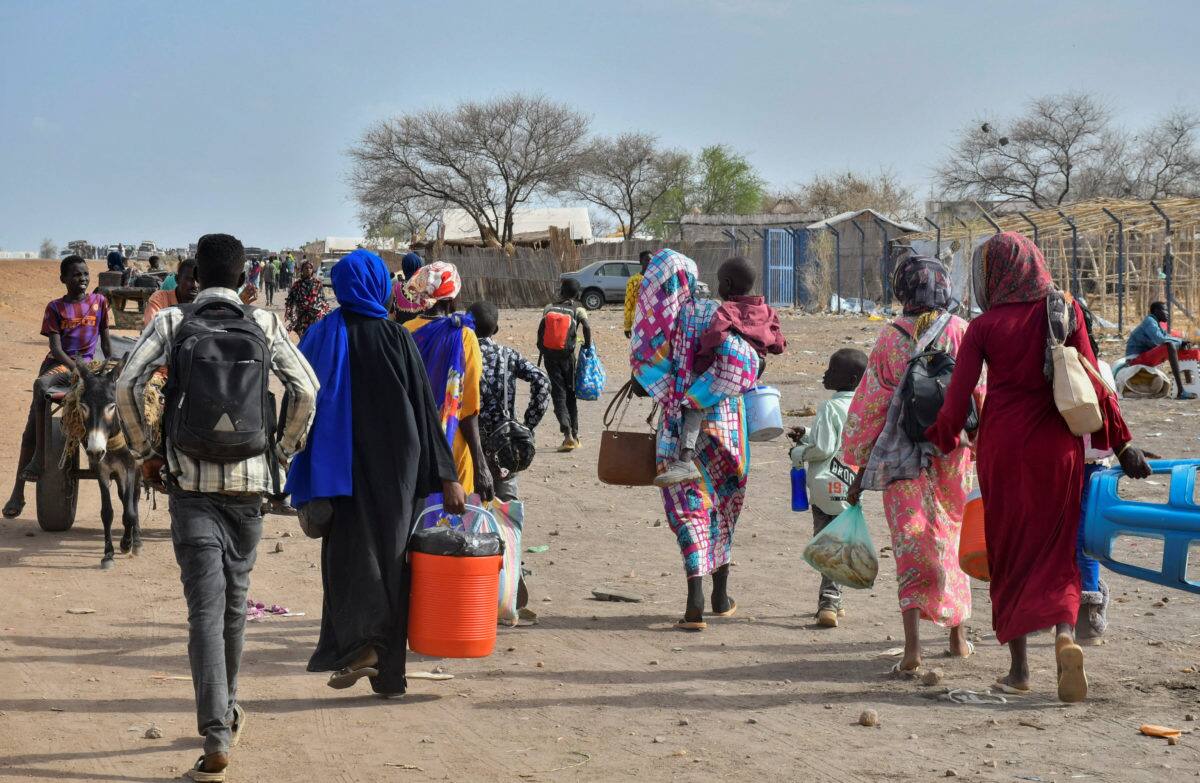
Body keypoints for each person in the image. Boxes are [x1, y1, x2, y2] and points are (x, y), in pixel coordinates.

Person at [116, 233, 319, 781]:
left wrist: (146, 450)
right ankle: (225, 712)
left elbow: (127, 386)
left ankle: (217, 731)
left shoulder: (172, 323)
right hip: (250, 487)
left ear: (197, 276)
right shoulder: (267, 324)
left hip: (191, 488)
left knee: (204, 611)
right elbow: (306, 389)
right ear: (244, 276)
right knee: (234, 606)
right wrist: (281, 450)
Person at [927, 232, 1150, 703]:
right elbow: (1094, 378)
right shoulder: (1062, 308)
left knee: (1009, 553)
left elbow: (957, 397)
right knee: (1057, 550)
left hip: (1004, 449)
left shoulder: (984, 327)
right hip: (1059, 449)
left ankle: (1019, 669)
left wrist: (943, 438)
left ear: (994, 274)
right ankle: (1065, 638)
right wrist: (1123, 441)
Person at [286, 249, 464, 698]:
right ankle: (389, 674)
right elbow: (426, 409)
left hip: (338, 471)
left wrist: (290, 460)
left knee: (348, 559)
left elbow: (297, 401)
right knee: (393, 562)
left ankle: (360, 647)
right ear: (378, 287)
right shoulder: (395, 337)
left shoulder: (321, 336)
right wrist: (448, 475)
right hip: (396, 470)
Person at [842, 255, 979, 673]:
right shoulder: (962, 333)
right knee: (954, 538)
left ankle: (913, 650)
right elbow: (980, 394)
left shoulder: (889, 338)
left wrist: (853, 468)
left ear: (902, 289)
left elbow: (869, 407)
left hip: (902, 460)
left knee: (911, 545)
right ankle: (958, 637)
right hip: (954, 455)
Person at [630, 249, 760, 631]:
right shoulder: (725, 314)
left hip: (678, 430)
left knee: (689, 511)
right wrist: (713, 389)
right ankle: (721, 596)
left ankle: (694, 603)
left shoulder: (672, 321)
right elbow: (747, 363)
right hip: (728, 429)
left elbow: (646, 373)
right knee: (723, 506)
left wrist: (680, 394)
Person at [656, 256, 786, 486]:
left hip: (730, 366)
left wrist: (701, 362)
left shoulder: (727, 310)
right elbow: (778, 343)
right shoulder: (767, 311)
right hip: (754, 366)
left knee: (693, 403)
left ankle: (685, 461)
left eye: (719, 282)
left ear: (726, 284)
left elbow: (715, 335)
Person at [4, 256, 112, 519]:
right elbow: (56, 349)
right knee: (39, 396)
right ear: (63, 279)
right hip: (61, 367)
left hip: (91, 367)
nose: (83, 279)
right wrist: (77, 369)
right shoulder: (55, 307)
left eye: (86, 274)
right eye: (76, 275)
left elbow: (106, 344)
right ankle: (25, 480)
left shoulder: (100, 302)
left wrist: (108, 369)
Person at [788, 348, 867, 628]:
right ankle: (836, 599)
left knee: (826, 543)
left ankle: (829, 602)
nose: (825, 374)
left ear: (852, 377)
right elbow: (840, 442)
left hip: (824, 487)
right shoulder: (861, 407)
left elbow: (823, 448)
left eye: (832, 370)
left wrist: (799, 453)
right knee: (840, 542)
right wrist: (807, 435)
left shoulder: (829, 407)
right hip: (851, 485)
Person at [402, 262, 494, 501]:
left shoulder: (405, 332)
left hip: (412, 447)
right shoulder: (463, 335)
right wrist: (481, 464)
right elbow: (468, 409)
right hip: (451, 451)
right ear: (452, 298)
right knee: (452, 531)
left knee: (415, 526)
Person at [467, 300, 551, 501]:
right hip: (505, 442)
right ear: (496, 329)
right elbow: (542, 381)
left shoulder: (461, 354)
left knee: (472, 511)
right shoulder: (508, 355)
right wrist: (527, 425)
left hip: (469, 442)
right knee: (506, 508)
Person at [1076, 303, 1120, 645]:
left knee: (1061, 538)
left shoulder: (1051, 368)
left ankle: (1066, 610)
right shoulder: (1101, 367)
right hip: (1098, 468)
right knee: (1087, 540)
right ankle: (1088, 615)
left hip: (1063, 468)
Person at [538, 278, 592, 452]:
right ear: (577, 294)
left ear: (561, 291)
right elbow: (587, 328)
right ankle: (575, 436)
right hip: (568, 358)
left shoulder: (549, 308)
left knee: (558, 394)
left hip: (550, 357)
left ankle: (566, 432)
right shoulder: (578, 309)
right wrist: (588, 346)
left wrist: (543, 349)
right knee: (571, 394)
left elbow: (541, 331)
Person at [1125, 301, 1196, 400]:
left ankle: (1189, 386)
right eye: (1165, 310)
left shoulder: (1156, 324)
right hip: (1135, 360)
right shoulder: (1149, 321)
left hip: (1143, 358)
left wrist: (1182, 343)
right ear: (1156, 311)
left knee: (1178, 345)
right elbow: (1160, 339)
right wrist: (1180, 341)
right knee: (1170, 345)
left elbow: (1165, 337)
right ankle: (1181, 391)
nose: (1168, 313)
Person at [144, 258, 200, 326]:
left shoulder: (204, 304)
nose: (195, 285)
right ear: (177, 279)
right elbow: (152, 330)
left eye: (198, 280)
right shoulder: (160, 299)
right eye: (189, 279)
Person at [284, 260, 331, 338]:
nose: (308, 270)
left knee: (313, 338)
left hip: (315, 316)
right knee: (303, 338)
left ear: (312, 270)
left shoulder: (318, 284)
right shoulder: (297, 284)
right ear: (302, 270)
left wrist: (326, 311)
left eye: (310, 268)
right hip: (301, 317)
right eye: (306, 268)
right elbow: (290, 300)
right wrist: (290, 312)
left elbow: (322, 299)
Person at [391, 251, 427, 323]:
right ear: (419, 266)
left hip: (402, 331)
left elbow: (391, 312)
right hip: (423, 331)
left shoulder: (396, 287)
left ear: (404, 267)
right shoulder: (427, 286)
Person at [624, 251, 651, 338]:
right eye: (647, 260)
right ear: (640, 261)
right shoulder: (633, 280)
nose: (649, 262)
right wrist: (627, 326)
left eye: (651, 260)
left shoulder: (656, 280)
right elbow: (629, 303)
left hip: (653, 322)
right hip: (637, 320)